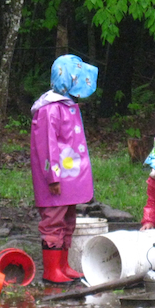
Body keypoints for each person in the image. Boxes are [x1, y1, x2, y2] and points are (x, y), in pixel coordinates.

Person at [30, 54, 98, 284]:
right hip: (56, 180)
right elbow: (47, 147)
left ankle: (63, 265)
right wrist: (52, 177)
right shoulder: (49, 109)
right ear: (68, 82)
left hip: (70, 178)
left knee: (68, 219)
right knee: (53, 220)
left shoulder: (68, 106)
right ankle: (51, 270)